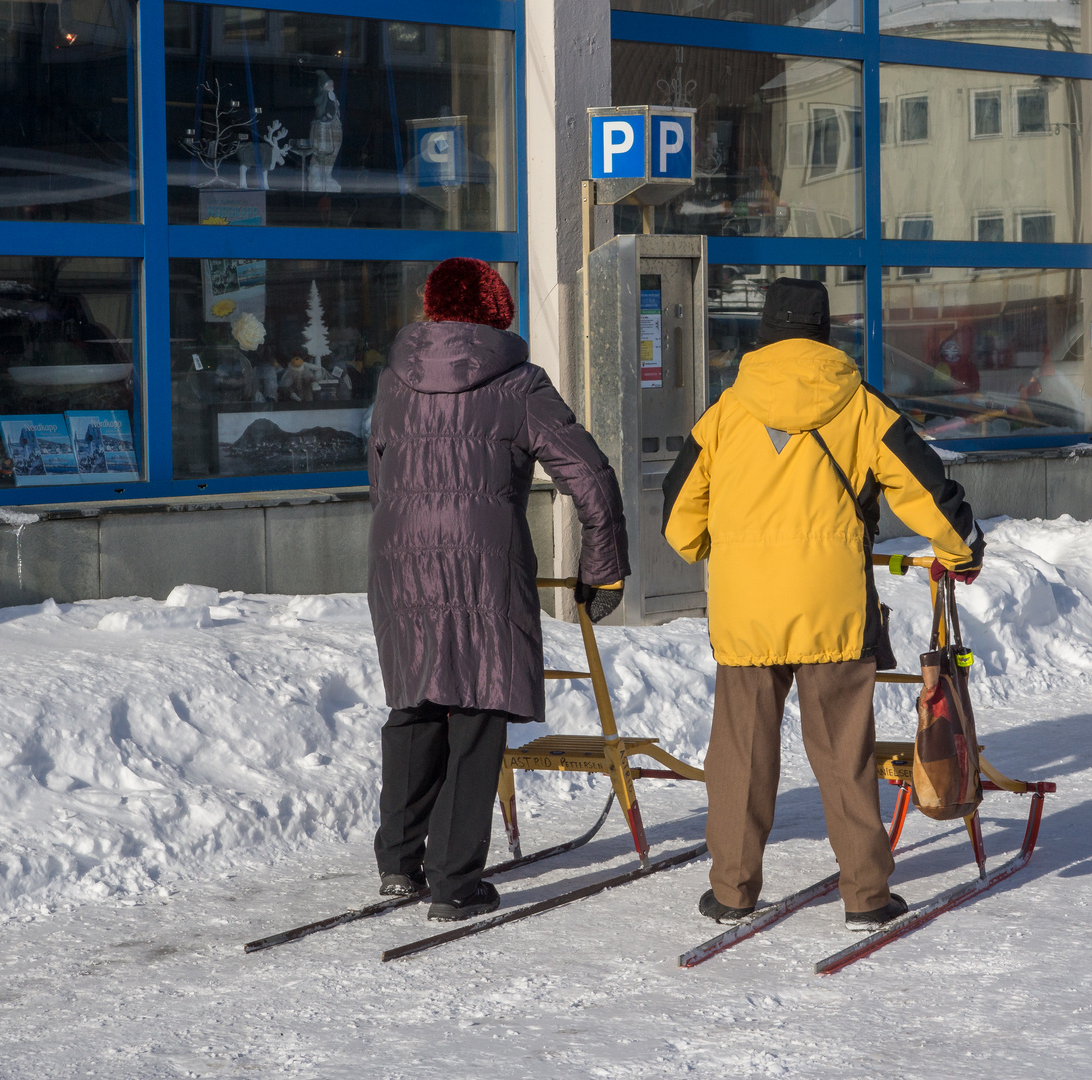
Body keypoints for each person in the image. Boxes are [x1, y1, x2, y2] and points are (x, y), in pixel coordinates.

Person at [662, 278, 985, 932]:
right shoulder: (862, 407)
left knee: (740, 751)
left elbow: (677, 517)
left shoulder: (725, 412)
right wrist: (964, 549)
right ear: (824, 332)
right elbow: (925, 485)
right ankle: (865, 894)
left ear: (762, 334)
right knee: (843, 752)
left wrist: (708, 543)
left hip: (745, 609)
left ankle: (731, 889)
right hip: (831, 605)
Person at [368, 258, 629, 921]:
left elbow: (381, 471)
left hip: (399, 562)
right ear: (497, 309)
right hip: (484, 564)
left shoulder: (395, 381)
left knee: (417, 704)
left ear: (431, 305)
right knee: (476, 712)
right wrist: (603, 568)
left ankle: (399, 863)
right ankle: (456, 882)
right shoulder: (516, 382)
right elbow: (590, 476)